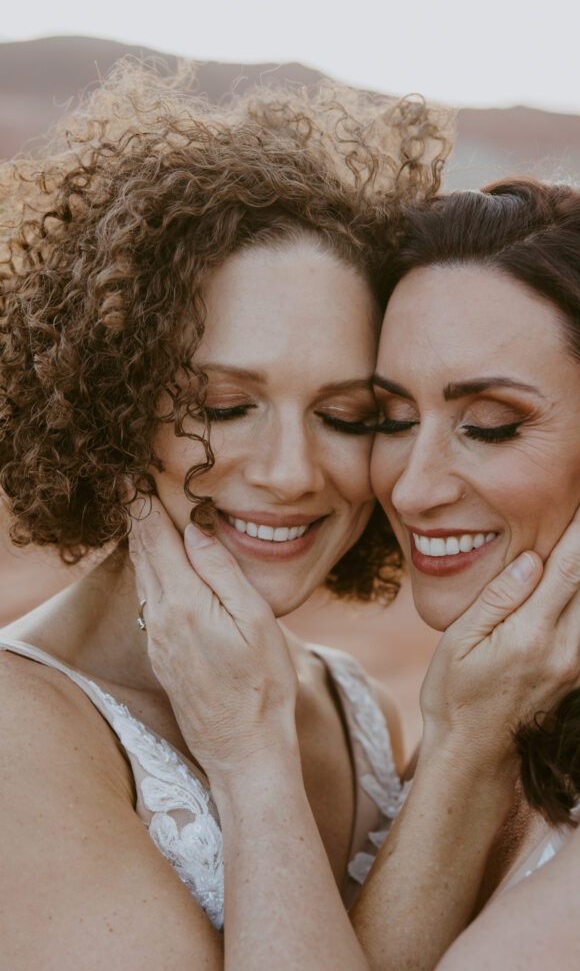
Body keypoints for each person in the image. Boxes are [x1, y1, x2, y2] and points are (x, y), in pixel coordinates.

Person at [131, 180, 580, 969]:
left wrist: (249, 756)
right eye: (390, 420)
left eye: (488, 426)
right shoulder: (518, 708)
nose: (410, 488)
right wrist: (467, 745)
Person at [0, 61, 452, 960]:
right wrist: (251, 762)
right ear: (110, 402)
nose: (290, 472)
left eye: (346, 416)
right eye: (221, 407)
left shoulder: (351, 701)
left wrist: (469, 752)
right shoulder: (20, 732)